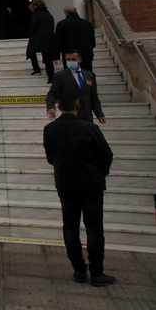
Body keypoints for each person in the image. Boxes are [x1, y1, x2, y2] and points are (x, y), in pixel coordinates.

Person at [43, 91, 114, 286]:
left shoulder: (50, 129)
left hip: (66, 183)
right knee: (94, 228)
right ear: (78, 107)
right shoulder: (89, 128)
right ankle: (97, 272)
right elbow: (106, 154)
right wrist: (100, 173)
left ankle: (79, 269)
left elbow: (51, 157)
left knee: (70, 227)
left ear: (58, 107)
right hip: (91, 183)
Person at [46, 50, 106, 124]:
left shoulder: (89, 75)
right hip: (70, 117)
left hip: (87, 117)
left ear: (80, 60)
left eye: (73, 59)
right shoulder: (61, 76)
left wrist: (99, 114)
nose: (71, 62)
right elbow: (52, 93)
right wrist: (51, 107)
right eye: (68, 60)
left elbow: (94, 98)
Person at [54, 6, 96, 72]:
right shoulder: (87, 24)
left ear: (65, 13)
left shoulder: (61, 24)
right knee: (87, 75)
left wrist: (56, 56)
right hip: (86, 53)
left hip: (70, 54)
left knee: (71, 76)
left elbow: (58, 41)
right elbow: (92, 40)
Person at [26, 0, 57, 82]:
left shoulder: (35, 15)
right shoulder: (49, 15)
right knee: (48, 58)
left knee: (31, 52)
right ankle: (51, 76)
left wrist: (31, 33)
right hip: (49, 38)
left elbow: (33, 25)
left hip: (38, 38)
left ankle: (36, 69)